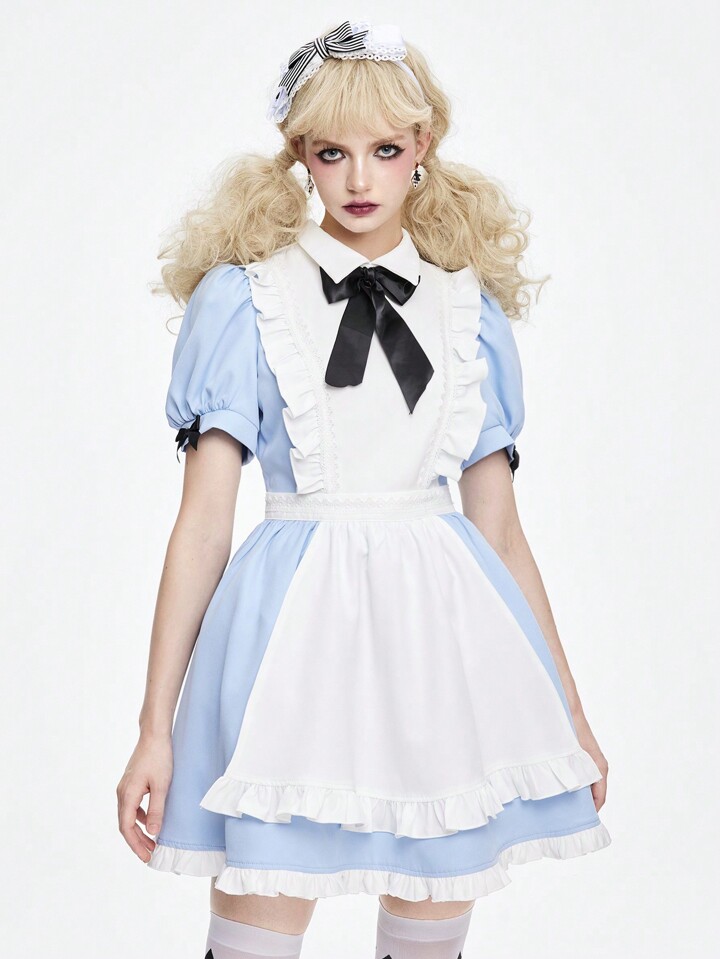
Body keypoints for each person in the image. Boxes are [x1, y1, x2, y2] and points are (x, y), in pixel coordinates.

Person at [116, 19, 611, 959]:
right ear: (300, 155)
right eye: (332, 152)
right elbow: (203, 527)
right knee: (256, 927)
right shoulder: (246, 299)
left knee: (429, 934)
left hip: (441, 649)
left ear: (423, 147)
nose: (358, 179)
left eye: (385, 150)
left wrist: (570, 711)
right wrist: (154, 727)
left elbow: (502, 535)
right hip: (285, 648)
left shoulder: (468, 311)